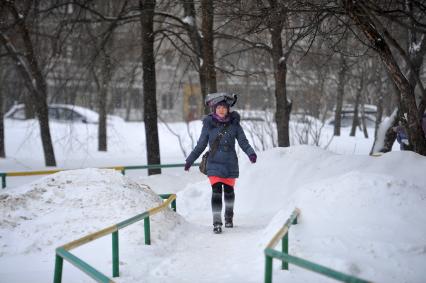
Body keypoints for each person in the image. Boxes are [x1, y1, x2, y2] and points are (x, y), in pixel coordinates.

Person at [184, 93, 257, 234]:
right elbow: (200, 145)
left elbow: (243, 142)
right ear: (214, 109)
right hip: (214, 163)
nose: (222, 110)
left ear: (228, 109)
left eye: (224, 107)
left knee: (229, 193)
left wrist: (251, 153)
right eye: (219, 108)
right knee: (216, 192)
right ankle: (217, 222)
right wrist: (190, 160)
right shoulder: (209, 125)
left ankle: (229, 217)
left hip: (230, 163)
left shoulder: (235, 125)